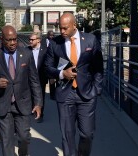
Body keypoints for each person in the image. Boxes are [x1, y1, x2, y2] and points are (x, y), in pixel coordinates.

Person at [45, 13, 103, 156]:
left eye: (65, 28)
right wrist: (62, 74)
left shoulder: (90, 40)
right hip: (65, 94)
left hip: (87, 95)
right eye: (60, 28)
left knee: (87, 134)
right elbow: (47, 67)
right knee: (67, 136)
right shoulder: (54, 43)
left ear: (74, 26)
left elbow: (98, 68)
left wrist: (96, 89)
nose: (62, 32)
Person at [0, 25, 43, 156]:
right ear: (1, 39)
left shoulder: (26, 54)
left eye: (15, 39)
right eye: (9, 40)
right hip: (3, 104)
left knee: (24, 138)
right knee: (6, 142)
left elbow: (34, 80)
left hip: (23, 103)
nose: (12, 43)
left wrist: (38, 103)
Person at [27, 32, 48, 123]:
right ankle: (31, 111)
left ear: (39, 40)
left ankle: (40, 114)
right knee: (29, 95)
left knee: (40, 95)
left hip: (41, 77)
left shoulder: (45, 50)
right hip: (29, 77)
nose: (30, 41)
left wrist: (51, 77)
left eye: (32, 39)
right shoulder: (26, 50)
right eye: (29, 39)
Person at [42, 30, 56, 100]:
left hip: (52, 65)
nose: (52, 36)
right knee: (43, 81)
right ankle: (42, 95)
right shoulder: (43, 42)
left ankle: (53, 95)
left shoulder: (55, 42)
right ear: (47, 35)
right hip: (44, 63)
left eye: (53, 35)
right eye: (50, 35)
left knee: (52, 81)